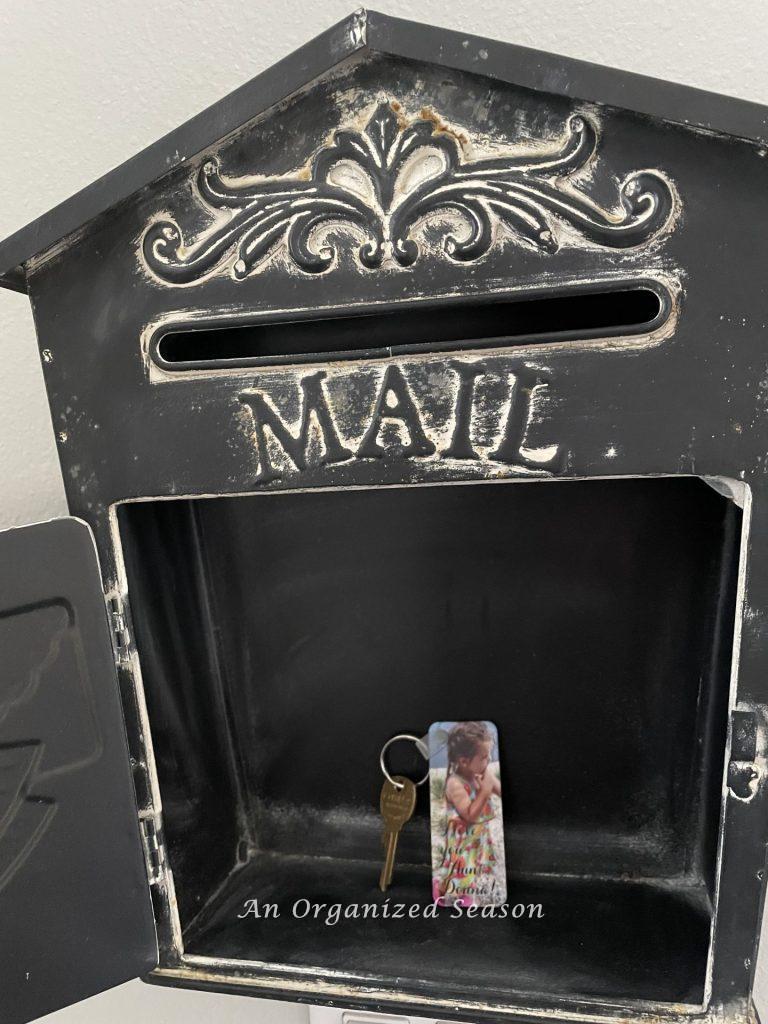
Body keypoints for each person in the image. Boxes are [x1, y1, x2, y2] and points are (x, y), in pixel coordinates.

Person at [433, 721, 501, 905]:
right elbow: (470, 815)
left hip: (478, 837)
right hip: (462, 842)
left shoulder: (479, 773)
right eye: (484, 757)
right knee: (458, 869)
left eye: (489, 757)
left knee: (476, 866)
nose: (488, 762)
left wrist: (490, 781)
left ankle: (466, 891)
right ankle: (442, 890)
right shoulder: (455, 783)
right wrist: (485, 791)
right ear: (464, 761)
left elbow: (500, 790)